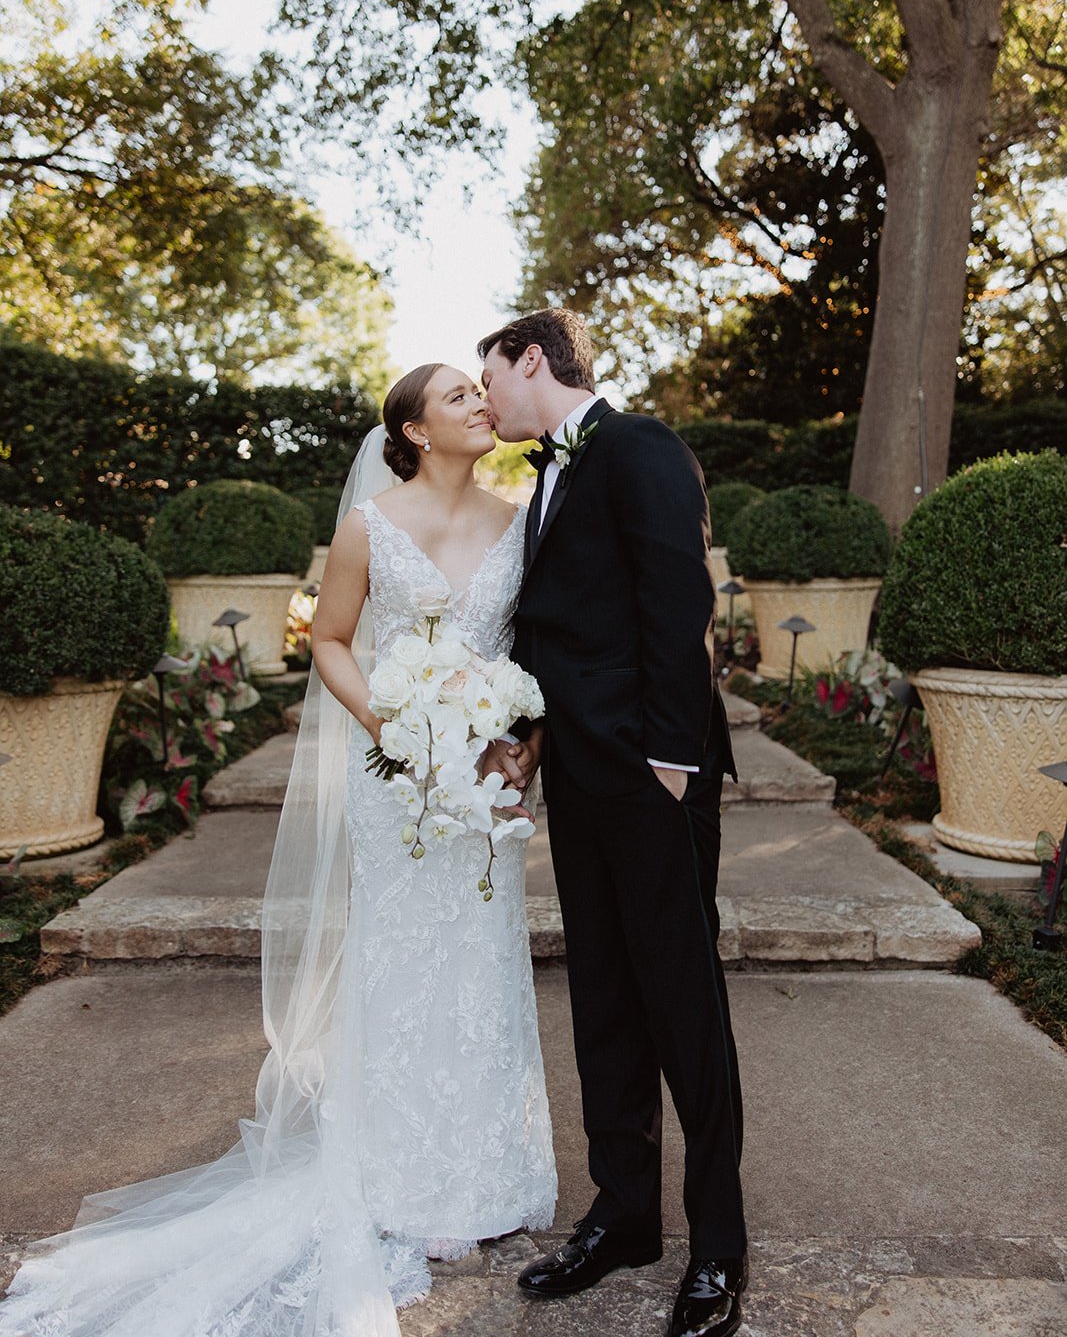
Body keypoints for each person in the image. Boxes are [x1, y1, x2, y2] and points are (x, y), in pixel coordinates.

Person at [0, 363, 555, 1337]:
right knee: (402, 965)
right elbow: (332, 640)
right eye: (457, 396)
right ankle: (395, 1172)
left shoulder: (521, 518)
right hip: (398, 776)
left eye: (482, 390)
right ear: (417, 432)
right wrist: (390, 724)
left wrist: (521, 740)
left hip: (487, 780)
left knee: (481, 961)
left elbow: (532, 650)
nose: (479, 402)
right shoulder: (367, 526)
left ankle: (482, 1173)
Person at [479, 310, 748, 1337]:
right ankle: (624, 1212)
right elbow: (548, 627)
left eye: (490, 375)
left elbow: (678, 604)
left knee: (684, 1009)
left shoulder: (637, 447)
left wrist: (671, 764)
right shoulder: (544, 477)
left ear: (531, 359)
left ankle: (717, 1244)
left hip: (649, 779)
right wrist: (517, 737)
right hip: (579, 783)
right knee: (603, 1001)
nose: (487, 397)